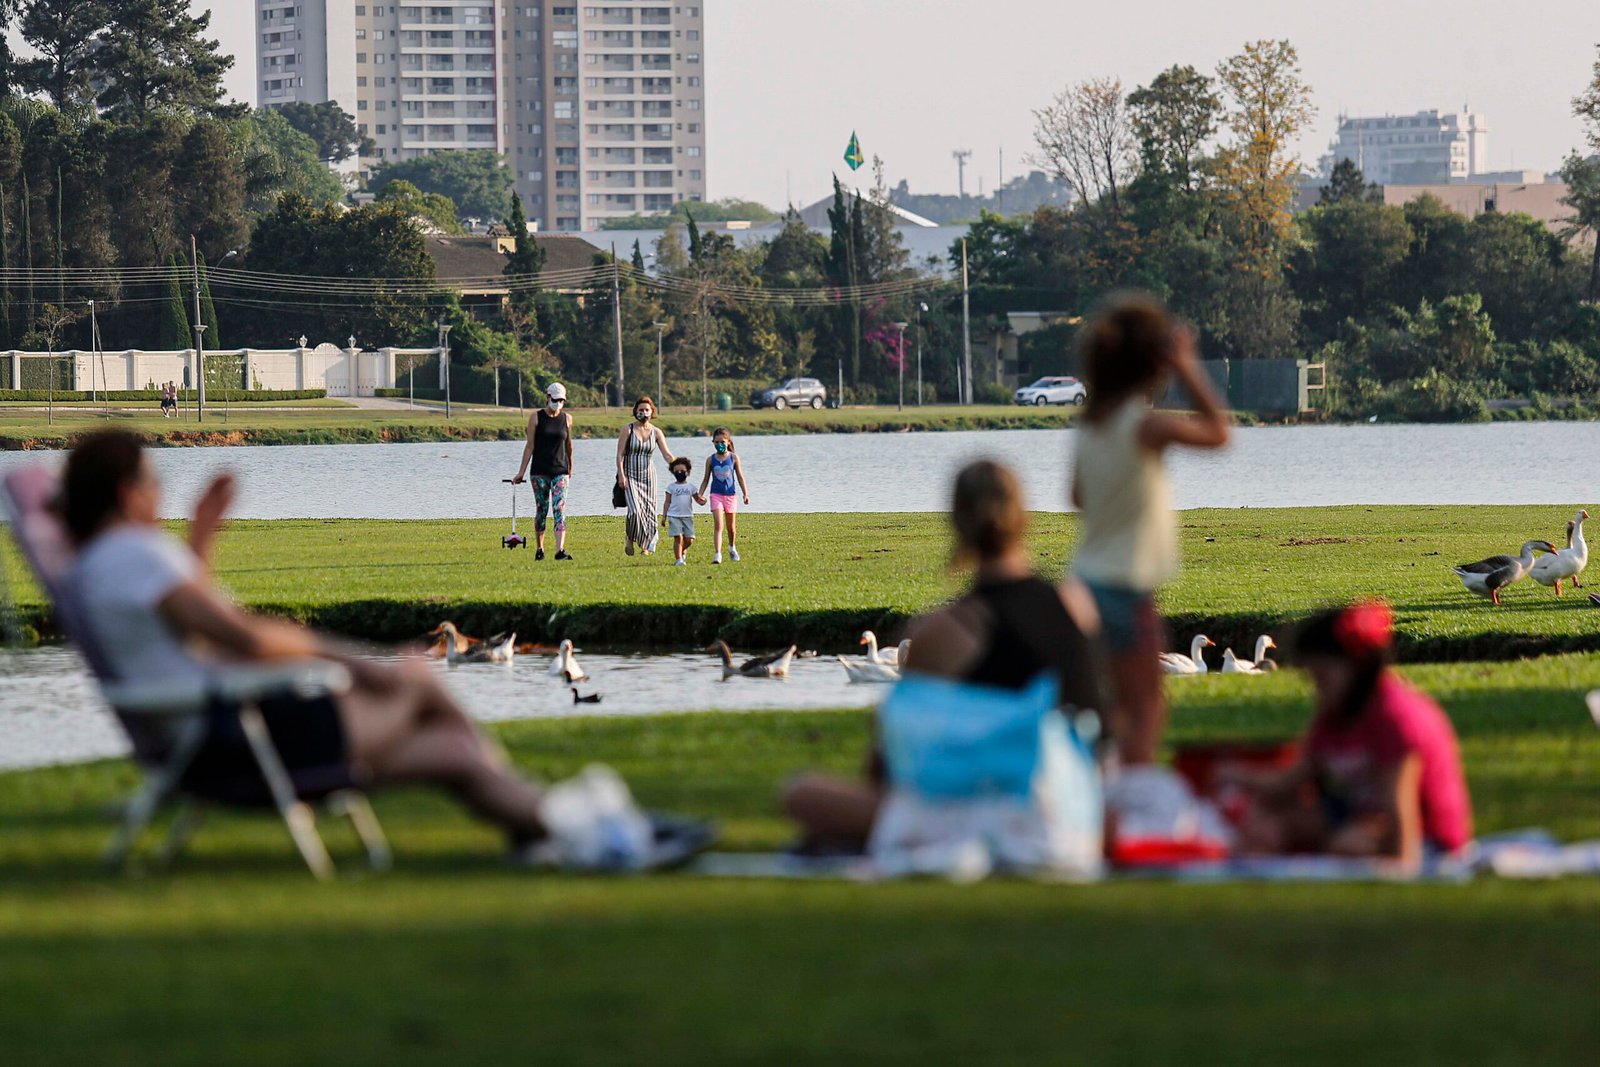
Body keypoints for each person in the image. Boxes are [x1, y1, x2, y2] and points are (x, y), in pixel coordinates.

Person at [61, 430, 555, 858]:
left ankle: (550, 831)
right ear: (128, 494)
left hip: (214, 738)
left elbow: (189, 634)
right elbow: (244, 637)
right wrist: (353, 662)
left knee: (454, 751)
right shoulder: (134, 554)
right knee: (416, 675)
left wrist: (201, 538)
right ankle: (568, 824)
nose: (158, 495)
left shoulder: (101, 564)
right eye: (155, 484)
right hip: (245, 738)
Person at [782, 459, 1105, 853]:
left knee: (801, 794)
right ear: (1023, 517)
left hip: (994, 816)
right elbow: (1101, 724)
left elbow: (891, 763)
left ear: (957, 523)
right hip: (1078, 814)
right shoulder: (1077, 605)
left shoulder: (945, 630)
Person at [1070, 293, 1230, 766]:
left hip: (1084, 583)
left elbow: (1077, 497)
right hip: (1126, 587)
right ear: (1152, 363)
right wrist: (1186, 366)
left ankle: (1099, 796)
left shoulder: (1090, 426)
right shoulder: (1145, 426)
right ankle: (1131, 802)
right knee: (1145, 709)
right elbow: (1219, 432)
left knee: (1104, 709)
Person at [1220, 603, 1473, 865]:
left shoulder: (1396, 719)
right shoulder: (1334, 715)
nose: (1318, 689)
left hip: (1426, 840)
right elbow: (1292, 781)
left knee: (1349, 844)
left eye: (1323, 677)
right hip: (1358, 819)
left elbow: (1400, 809)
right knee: (1268, 824)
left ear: (1359, 668)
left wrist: (1400, 868)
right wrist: (1237, 776)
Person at [510, 381, 575, 561]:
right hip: (539, 471)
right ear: (547, 398)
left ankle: (559, 550)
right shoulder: (536, 418)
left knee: (559, 508)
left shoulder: (567, 419)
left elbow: (569, 444)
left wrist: (571, 465)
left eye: (561, 401)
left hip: (560, 470)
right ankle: (540, 548)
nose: (558, 404)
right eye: (555, 400)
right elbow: (529, 446)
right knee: (542, 508)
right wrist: (521, 472)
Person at [615, 395, 676, 556]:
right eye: (640, 410)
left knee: (649, 512)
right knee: (635, 511)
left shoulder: (656, 432)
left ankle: (646, 546)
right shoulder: (627, 429)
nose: (644, 412)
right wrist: (621, 475)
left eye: (647, 410)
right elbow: (619, 455)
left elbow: (667, 455)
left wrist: (678, 466)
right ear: (635, 411)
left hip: (649, 476)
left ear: (652, 412)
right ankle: (630, 536)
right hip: (630, 475)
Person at [695, 426, 750, 564]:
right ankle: (718, 554)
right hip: (716, 495)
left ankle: (732, 548)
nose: (720, 445)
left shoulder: (733, 458)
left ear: (728, 442)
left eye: (722, 442)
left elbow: (740, 477)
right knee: (718, 525)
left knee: (731, 528)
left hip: (730, 496)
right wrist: (700, 494)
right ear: (713, 442)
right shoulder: (710, 460)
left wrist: (745, 493)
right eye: (717, 442)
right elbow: (706, 479)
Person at [663, 456, 698, 566]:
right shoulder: (671, 487)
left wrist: (703, 500)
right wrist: (664, 516)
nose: (679, 473)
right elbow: (667, 502)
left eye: (682, 471)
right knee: (678, 537)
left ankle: (681, 551)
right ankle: (678, 559)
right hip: (674, 516)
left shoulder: (691, 487)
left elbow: (698, 499)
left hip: (688, 516)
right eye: (676, 471)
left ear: (687, 471)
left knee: (689, 539)